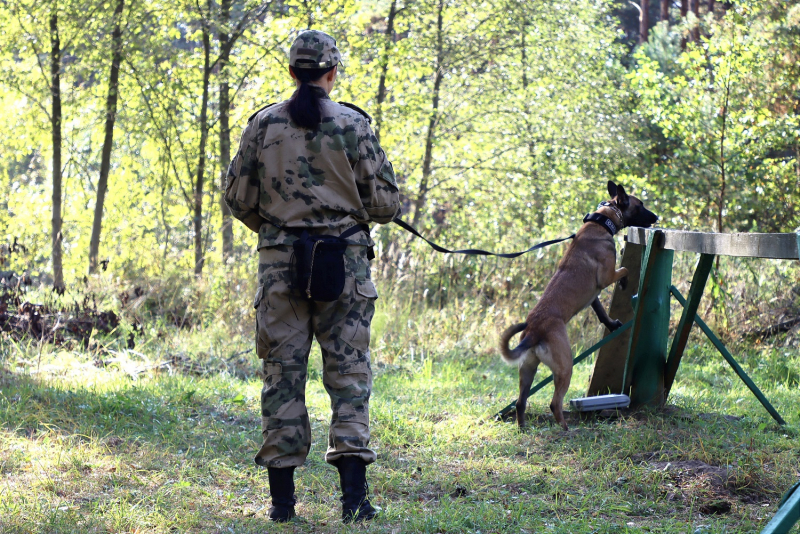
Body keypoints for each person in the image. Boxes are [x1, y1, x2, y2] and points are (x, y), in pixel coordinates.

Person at [224, 30, 400, 524]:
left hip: (280, 269)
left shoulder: (262, 126)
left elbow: (238, 199)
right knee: (349, 379)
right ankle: (354, 502)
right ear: (332, 73)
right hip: (344, 265)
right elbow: (386, 203)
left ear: (289, 73)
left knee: (282, 378)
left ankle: (282, 506)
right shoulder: (353, 125)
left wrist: (281, 231)